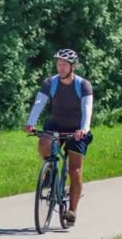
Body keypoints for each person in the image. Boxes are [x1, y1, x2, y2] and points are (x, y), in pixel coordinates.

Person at [24, 48, 94, 227]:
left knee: (75, 171)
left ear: (73, 67)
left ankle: (72, 211)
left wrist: (83, 129)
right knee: (43, 141)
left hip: (77, 129)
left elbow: (87, 110)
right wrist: (31, 122)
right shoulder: (50, 83)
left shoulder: (83, 85)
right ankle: (50, 170)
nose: (60, 67)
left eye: (64, 64)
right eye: (58, 64)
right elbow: (39, 103)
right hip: (55, 125)